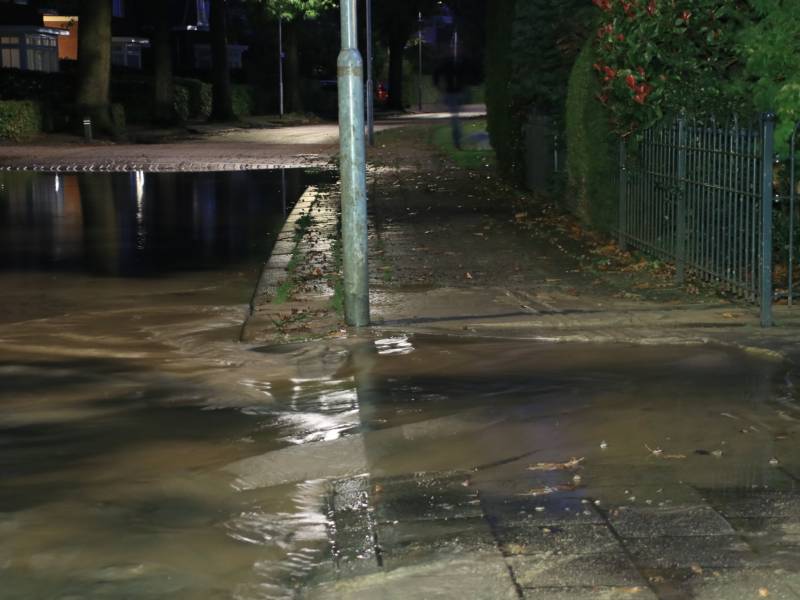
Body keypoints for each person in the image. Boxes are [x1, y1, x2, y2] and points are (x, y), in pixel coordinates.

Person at [434, 54, 466, 149]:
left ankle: (458, 137)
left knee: (456, 117)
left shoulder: (448, 66)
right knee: (456, 118)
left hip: (453, 93)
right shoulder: (456, 65)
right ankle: (457, 139)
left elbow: (437, 75)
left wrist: (439, 87)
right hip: (454, 93)